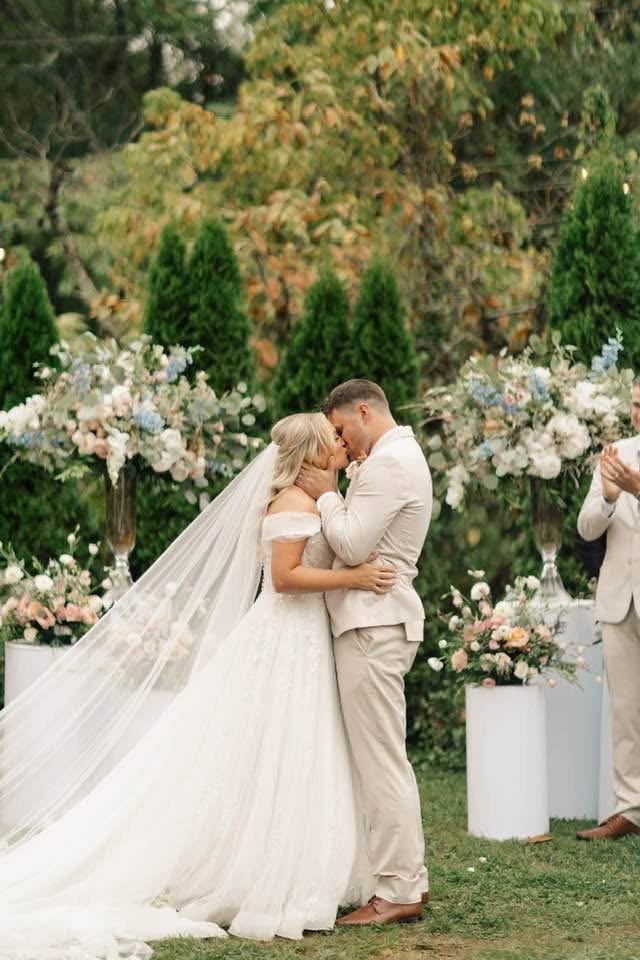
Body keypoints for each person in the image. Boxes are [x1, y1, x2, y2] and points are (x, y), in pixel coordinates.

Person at [0, 413, 397, 958]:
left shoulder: (313, 499)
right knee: (279, 745)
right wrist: (353, 578)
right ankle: (262, 872)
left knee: (301, 747)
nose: (340, 440)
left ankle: (305, 863)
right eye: (330, 437)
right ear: (309, 453)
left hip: (306, 640)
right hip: (285, 640)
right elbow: (284, 579)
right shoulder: (291, 507)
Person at [297, 379, 432, 926]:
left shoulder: (390, 463)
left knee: (382, 761)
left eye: (342, 429)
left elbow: (351, 544)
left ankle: (401, 890)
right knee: (377, 759)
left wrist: (326, 491)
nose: (341, 441)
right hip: (370, 621)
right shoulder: (393, 457)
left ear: (363, 410)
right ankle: (394, 880)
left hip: (374, 625)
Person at [576, 378, 640, 841]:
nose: (637, 412)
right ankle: (630, 809)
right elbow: (585, 527)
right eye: (636, 404)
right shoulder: (618, 451)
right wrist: (612, 495)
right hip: (620, 600)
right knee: (627, 712)